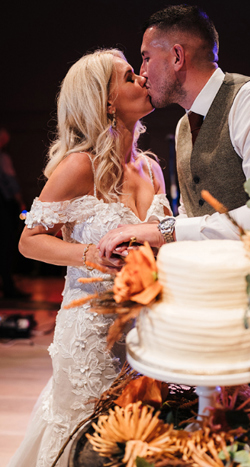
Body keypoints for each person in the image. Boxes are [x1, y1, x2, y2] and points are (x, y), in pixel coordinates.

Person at [96, 5, 250, 421]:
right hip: (220, 316)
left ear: (176, 56)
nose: (141, 72)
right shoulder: (181, 128)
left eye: (145, 58)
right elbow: (199, 222)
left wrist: (165, 231)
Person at [8, 49, 170, 467]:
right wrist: (90, 255)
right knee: (89, 444)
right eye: (130, 75)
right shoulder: (79, 167)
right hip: (92, 335)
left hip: (148, 333)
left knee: (138, 442)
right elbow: (30, 240)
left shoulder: (152, 170)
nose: (144, 80)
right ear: (107, 101)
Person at [0, 127, 30, 298]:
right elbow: (11, 183)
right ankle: (9, 287)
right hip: (5, 207)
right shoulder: (3, 158)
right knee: (7, 246)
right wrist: (21, 203)